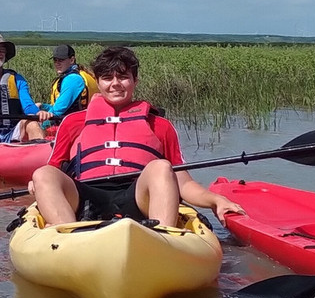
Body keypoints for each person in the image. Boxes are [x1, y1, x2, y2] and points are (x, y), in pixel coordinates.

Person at [29, 45, 243, 228]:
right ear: (98, 81)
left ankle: (162, 240)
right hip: (85, 198)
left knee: (161, 167)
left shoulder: (160, 126)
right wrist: (38, 185)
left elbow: (183, 182)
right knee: (42, 173)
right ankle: (67, 238)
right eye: (107, 78)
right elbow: (54, 170)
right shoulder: (73, 122)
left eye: (123, 77)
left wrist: (215, 199)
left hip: (138, 197)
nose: (115, 84)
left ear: (135, 80)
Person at [38, 44, 98, 130]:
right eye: (55, 60)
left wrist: (40, 127)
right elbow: (61, 107)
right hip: (83, 124)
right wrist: (42, 106)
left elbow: (57, 112)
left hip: (73, 128)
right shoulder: (80, 74)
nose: (57, 63)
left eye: (61, 60)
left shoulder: (73, 80)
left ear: (71, 60)